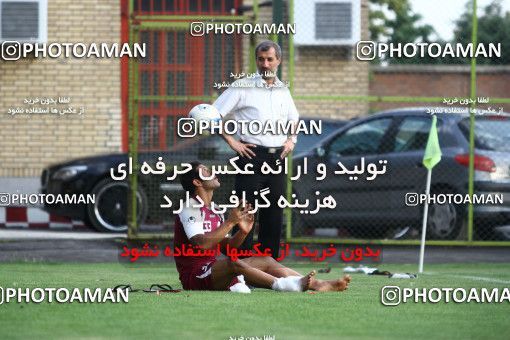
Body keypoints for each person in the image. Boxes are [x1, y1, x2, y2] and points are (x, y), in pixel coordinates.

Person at [173, 161, 351, 292]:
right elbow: (201, 244)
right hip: (194, 277)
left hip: (212, 269)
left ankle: (317, 284)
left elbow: (227, 247)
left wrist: (242, 233)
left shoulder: (215, 209)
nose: (212, 171)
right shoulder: (189, 206)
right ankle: (287, 285)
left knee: (265, 259)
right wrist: (230, 223)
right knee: (233, 263)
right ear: (197, 182)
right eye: (205, 171)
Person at [213, 40, 299, 259]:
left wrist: (292, 140)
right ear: (256, 61)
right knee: (244, 212)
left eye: (270, 59)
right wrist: (232, 142)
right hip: (251, 157)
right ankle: (239, 268)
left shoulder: (282, 89)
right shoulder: (243, 86)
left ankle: (268, 267)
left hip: (277, 158)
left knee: (273, 214)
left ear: (278, 61)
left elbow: (294, 118)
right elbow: (213, 114)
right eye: (261, 59)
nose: (265, 64)